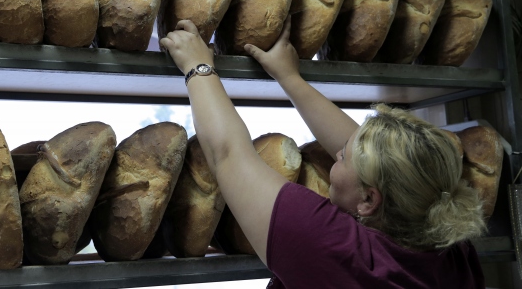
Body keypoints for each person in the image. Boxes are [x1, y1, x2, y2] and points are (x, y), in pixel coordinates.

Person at [160, 18, 487, 288]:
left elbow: (228, 154)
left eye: (343, 156)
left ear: (368, 200)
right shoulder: (451, 248)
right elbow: (377, 162)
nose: (337, 151)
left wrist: (197, 67)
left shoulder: (333, 247)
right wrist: (289, 77)